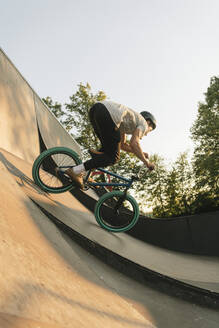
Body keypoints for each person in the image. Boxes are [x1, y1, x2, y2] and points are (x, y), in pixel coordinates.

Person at [65, 100, 156, 189]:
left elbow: (123, 145)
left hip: (96, 110)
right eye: (150, 130)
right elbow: (134, 143)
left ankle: (84, 173)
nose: (146, 134)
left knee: (107, 151)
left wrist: (141, 153)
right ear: (148, 122)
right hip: (107, 115)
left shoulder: (130, 120)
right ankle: (75, 171)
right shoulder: (143, 124)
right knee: (113, 157)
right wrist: (146, 162)